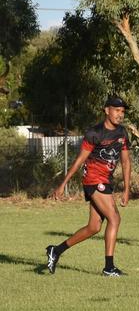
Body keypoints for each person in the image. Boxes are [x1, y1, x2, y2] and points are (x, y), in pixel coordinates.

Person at [49, 96, 131, 277]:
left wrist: (126, 189)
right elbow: (79, 160)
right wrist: (63, 184)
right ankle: (109, 267)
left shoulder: (122, 133)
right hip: (93, 180)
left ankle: (56, 250)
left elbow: (126, 162)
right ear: (106, 110)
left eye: (122, 111)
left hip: (106, 182)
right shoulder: (94, 133)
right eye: (117, 110)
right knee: (115, 219)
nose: (120, 114)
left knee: (94, 227)